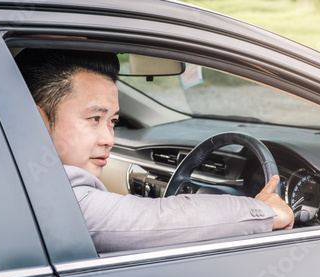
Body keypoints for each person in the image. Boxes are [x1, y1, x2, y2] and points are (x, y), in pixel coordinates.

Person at [15, 49, 294, 253]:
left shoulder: (11, 169)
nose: (109, 138)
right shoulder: (51, 197)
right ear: (36, 119)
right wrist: (264, 211)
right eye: (94, 119)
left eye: (112, 121)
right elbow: (160, 219)